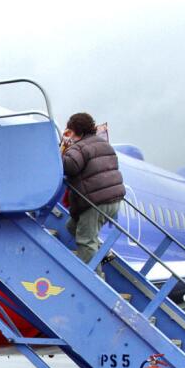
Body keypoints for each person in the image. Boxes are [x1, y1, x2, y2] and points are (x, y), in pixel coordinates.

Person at [60, 112, 125, 267]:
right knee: (72, 226)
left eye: (71, 132)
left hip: (94, 202)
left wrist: (59, 154)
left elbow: (70, 167)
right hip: (113, 200)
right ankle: (103, 252)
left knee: (85, 241)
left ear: (78, 132)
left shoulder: (80, 147)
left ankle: (96, 278)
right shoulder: (104, 145)